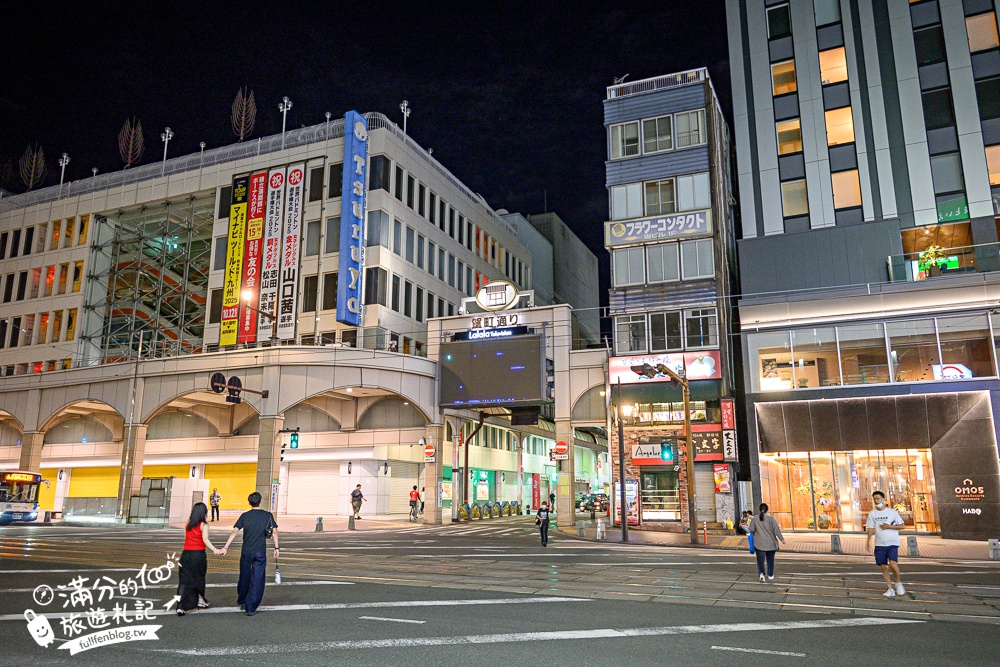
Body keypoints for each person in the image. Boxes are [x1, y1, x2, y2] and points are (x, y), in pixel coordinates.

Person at [219, 492, 279, 616]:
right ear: (260, 501)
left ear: (249, 502)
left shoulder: (245, 516)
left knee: (245, 575)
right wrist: (276, 548)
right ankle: (250, 607)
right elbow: (275, 533)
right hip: (260, 552)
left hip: (246, 551)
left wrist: (226, 547)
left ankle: (242, 598)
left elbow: (234, 532)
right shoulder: (267, 516)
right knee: (257, 578)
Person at [176, 502, 221, 616]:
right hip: (198, 555)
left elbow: (188, 539)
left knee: (184, 580)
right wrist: (215, 550)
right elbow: (205, 539)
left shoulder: (188, 524)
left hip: (186, 555)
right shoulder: (204, 525)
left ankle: (180, 606)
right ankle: (200, 601)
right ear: (204, 512)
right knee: (199, 578)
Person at [865, 490, 906, 597]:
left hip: (892, 543)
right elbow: (870, 528)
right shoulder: (872, 513)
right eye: (875, 499)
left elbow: (902, 526)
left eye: (878, 498)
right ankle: (890, 588)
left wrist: (889, 527)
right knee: (883, 567)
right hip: (879, 544)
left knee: (893, 564)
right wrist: (868, 541)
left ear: (883, 499)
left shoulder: (892, 512)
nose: (876, 501)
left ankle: (898, 582)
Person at [747, 503, 785, 582]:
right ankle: (770, 575)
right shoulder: (771, 519)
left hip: (759, 544)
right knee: (770, 560)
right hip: (771, 544)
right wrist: (782, 539)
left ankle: (761, 574)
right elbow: (776, 530)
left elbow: (751, 529)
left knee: (760, 560)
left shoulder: (755, 519)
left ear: (759, 510)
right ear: (767, 510)